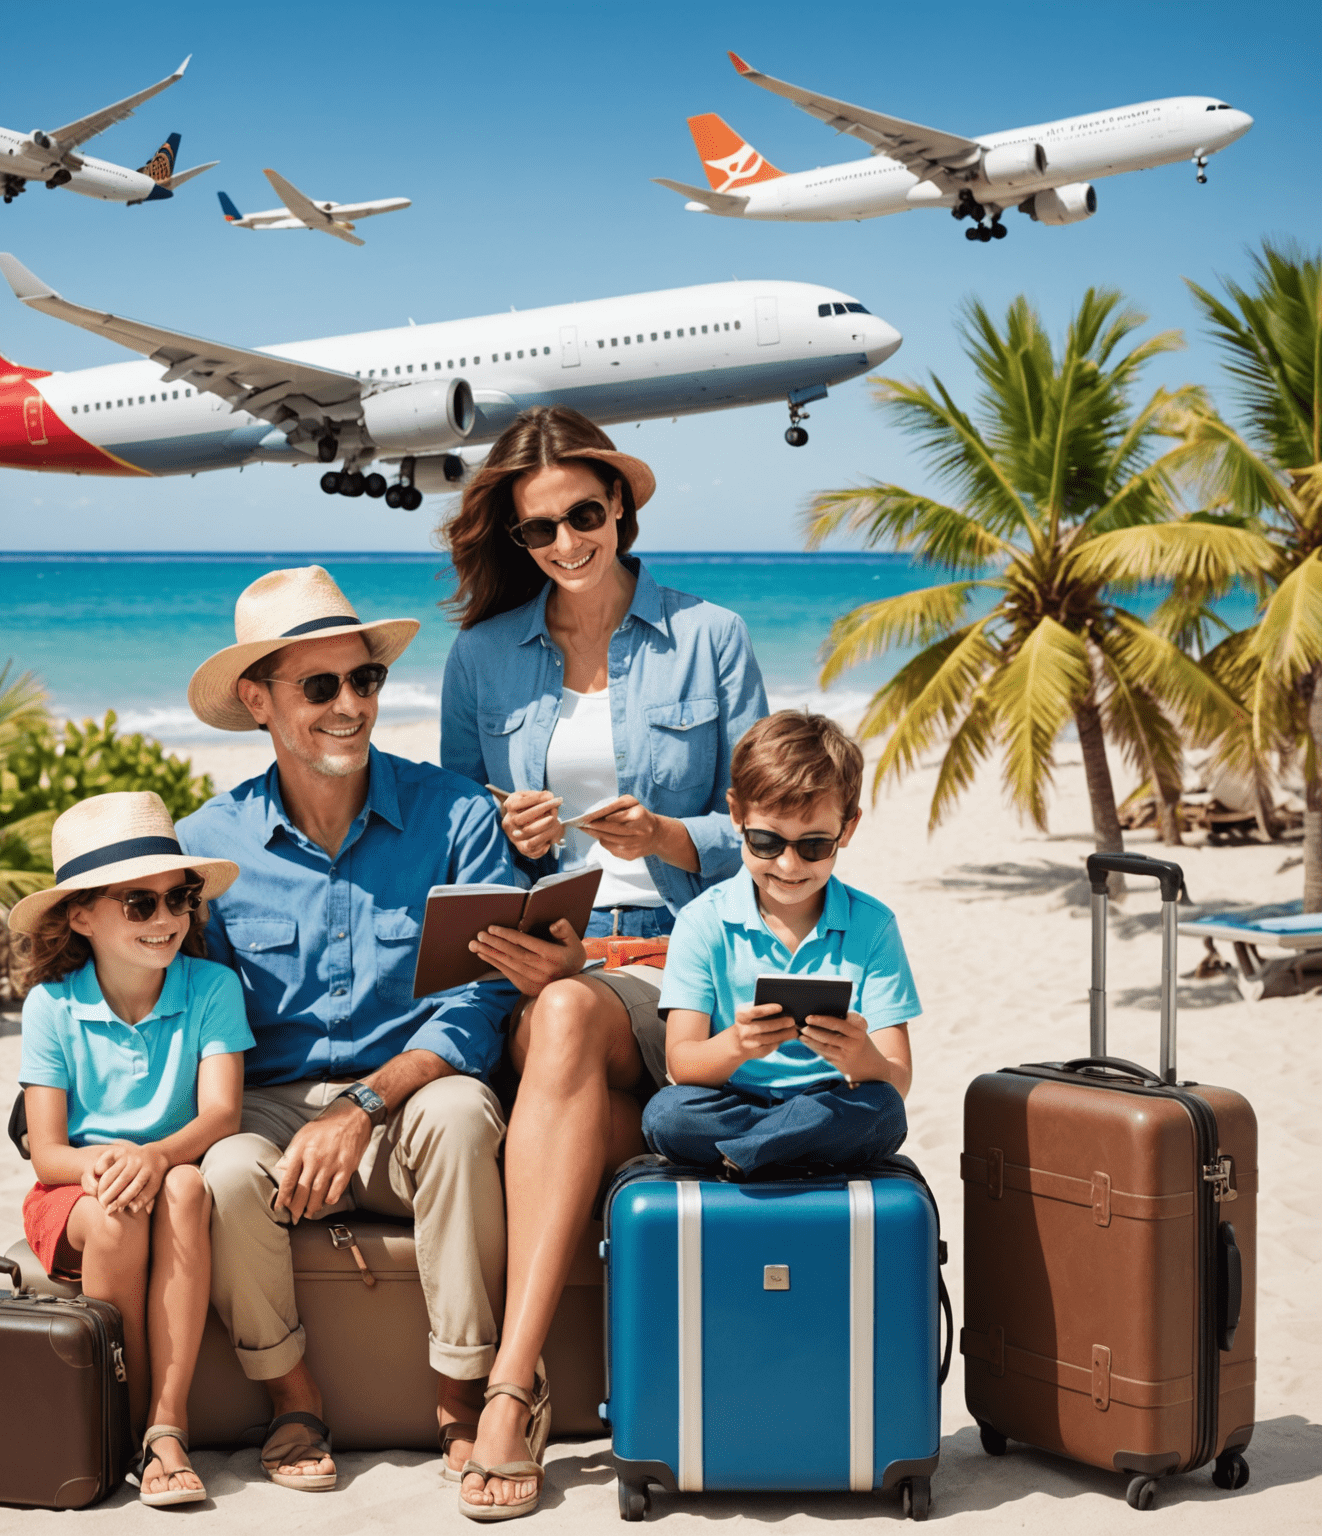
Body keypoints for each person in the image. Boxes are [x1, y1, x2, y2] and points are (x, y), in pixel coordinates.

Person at [437, 406, 768, 1518]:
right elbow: (455, 833)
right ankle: (522, 1380)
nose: (569, 544)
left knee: (577, 1024)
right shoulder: (481, 655)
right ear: (517, 540)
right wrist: (511, 831)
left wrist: (669, 838)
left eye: (587, 514)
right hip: (549, 963)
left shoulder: (709, 632)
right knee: (568, 1014)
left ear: (621, 504)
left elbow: (768, 830)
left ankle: (509, 1389)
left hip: (683, 961)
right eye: (541, 531)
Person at [175, 565, 523, 1497]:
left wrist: (368, 1104)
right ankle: (293, 1399)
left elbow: (484, 998)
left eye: (363, 681)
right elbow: (188, 1009)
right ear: (258, 700)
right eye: (318, 686)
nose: (349, 706)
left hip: (409, 1094)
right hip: (269, 1107)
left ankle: (460, 1393)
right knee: (224, 1170)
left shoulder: (456, 816)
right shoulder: (208, 845)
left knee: (459, 1119)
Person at [10, 791, 250, 1509]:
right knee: (117, 1215)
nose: (168, 919)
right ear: (81, 915)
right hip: (76, 1192)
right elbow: (47, 1154)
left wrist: (155, 1158)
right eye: (139, 905)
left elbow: (223, 1115)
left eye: (179, 899)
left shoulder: (212, 987)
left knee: (184, 1190)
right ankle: (128, 1418)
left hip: (176, 1169)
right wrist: (113, 1162)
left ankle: (165, 1425)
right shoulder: (51, 1006)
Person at [642, 711, 918, 1175]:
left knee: (885, 1109)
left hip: (830, 1100)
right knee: (668, 1114)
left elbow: (898, 1078)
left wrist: (861, 1057)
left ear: (847, 829)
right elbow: (682, 1065)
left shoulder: (873, 926)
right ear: (736, 815)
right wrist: (737, 1045)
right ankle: (779, 1150)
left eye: (813, 846)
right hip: (734, 1100)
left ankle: (749, 1154)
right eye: (767, 842)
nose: (789, 866)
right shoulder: (701, 922)